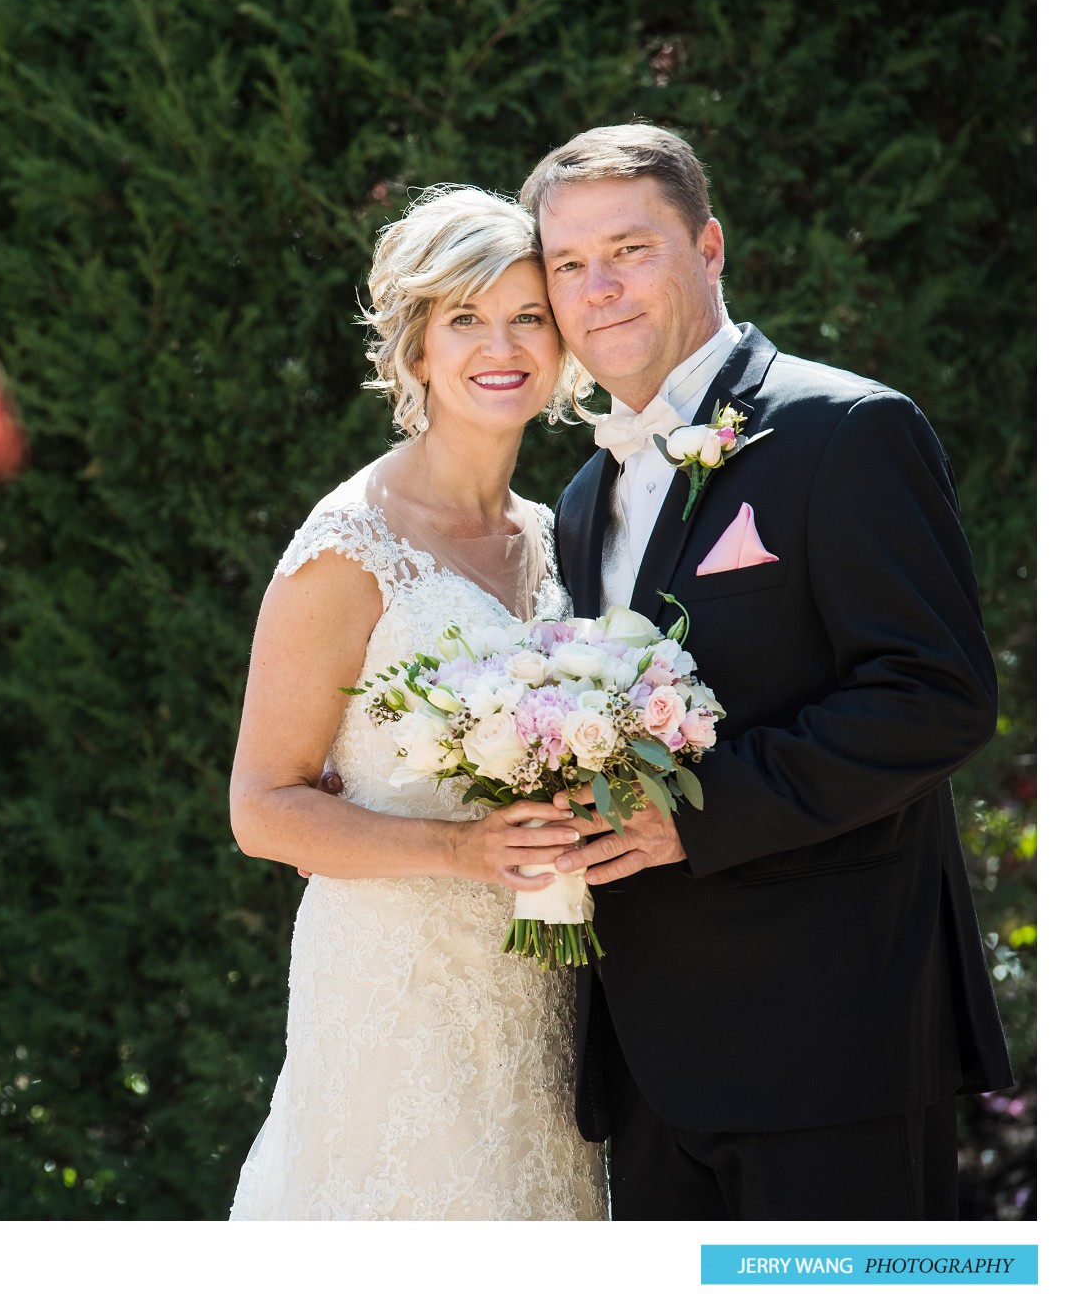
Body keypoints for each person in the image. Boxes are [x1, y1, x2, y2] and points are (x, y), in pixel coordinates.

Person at [522, 123, 1013, 1219]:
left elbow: (934, 695)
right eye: (568, 264)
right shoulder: (578, 499)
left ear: (709, 247)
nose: (597, 288)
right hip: (649, 1063)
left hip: (834, 1040)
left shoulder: (848, 428)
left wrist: (692, 816)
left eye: (631, 249)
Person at [225, 185, 605, 1220]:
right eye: (467, 318)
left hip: (539, 986)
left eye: (530, 316)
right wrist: (459, 853)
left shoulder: (562, 534)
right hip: (392, 980)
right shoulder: (350, 545)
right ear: (418, 346)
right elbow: (261, 807)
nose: (505, 344)